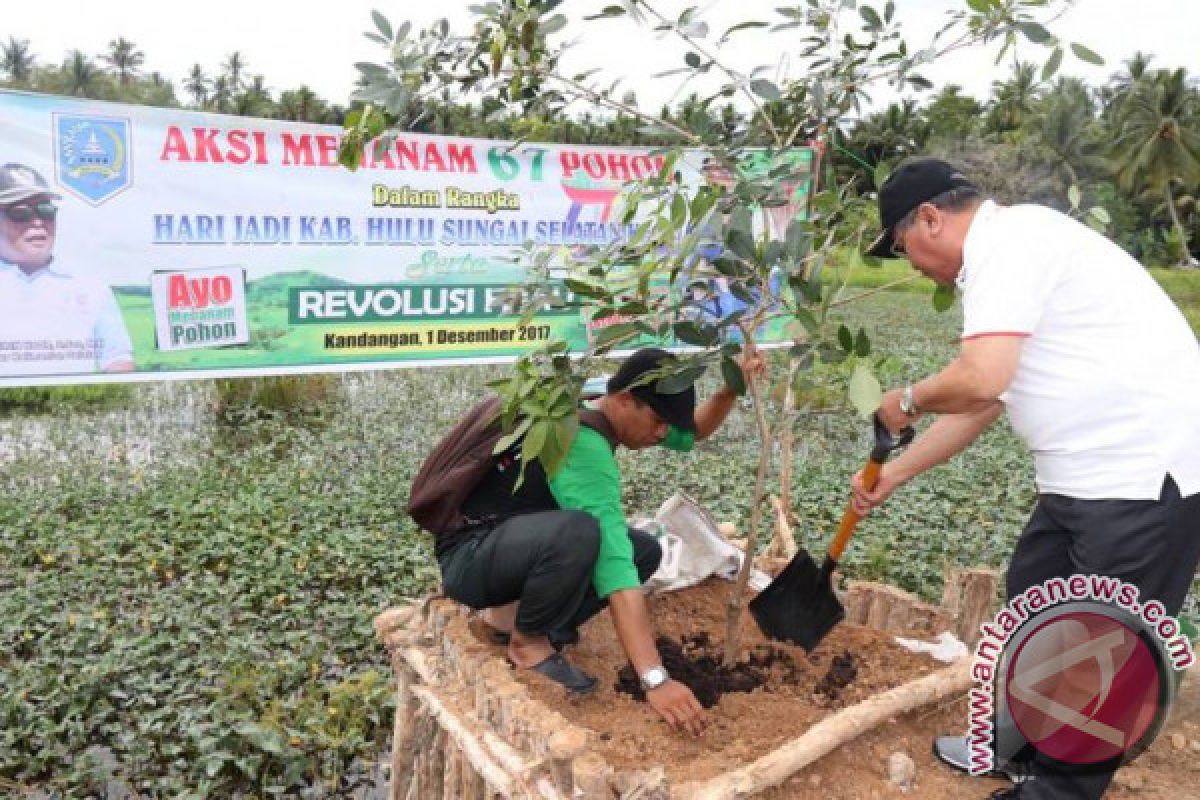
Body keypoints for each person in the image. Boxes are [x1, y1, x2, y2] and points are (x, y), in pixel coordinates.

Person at [852, 158, 1200, 800]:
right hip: (1083, 478)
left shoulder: (1010, 245)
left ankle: (1055, 791)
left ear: (931, 218)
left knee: (1104, 653)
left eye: (906, 251)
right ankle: (1018, 750)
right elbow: (988, 399)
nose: (915, 268)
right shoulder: (1009, 253)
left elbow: (978, 378)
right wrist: (894, 472)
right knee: (1035, 598)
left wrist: (907, 397)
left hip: (1144, 478)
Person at [433, 346, 766, 737]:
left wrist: (729, 391)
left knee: (645, 550)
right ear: (626, 400)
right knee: (583, 533)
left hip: (512, 544)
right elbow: (612, 565)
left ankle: (511, 618)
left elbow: (690, 430)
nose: (662, 434)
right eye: (658, 420)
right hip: (470, 556)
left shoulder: (600, 395)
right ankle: (527, 643)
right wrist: (656, 680)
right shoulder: (582, 443)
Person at [0, 163, 133, 375]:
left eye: (46, 211)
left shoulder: (90, 285)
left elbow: (118, 359)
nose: (37, 222)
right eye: (21, 213)